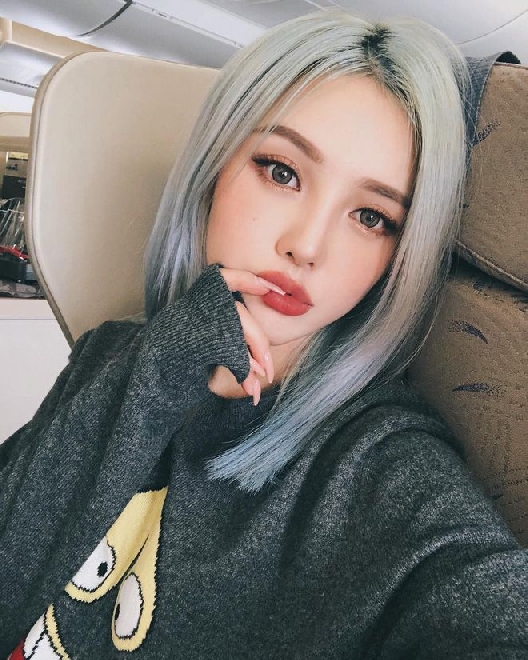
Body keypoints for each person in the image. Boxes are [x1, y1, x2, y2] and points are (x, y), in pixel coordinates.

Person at [1, 9, 527, 659]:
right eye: (282, 172)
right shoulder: (115, 352)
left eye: (371, 216)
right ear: (214, 167)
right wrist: (160, 366)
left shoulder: (381, 465)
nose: (308, 246)